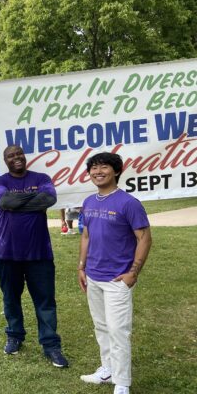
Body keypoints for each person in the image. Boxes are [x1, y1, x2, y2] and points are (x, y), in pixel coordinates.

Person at [77, 152, 152, 394]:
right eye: (94, 168)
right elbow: (86, 235)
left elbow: (145, 238)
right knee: (101, 326)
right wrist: (81, 267)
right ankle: (107, 369)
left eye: (104, 167)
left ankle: (122, 383)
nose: (98, 172)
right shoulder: (89, 202)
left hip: (118, 279)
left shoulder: (128, 203)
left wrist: (133, 272)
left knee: (119, 331)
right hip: (93, 276)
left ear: (116, 171)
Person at [0, 145, 69, 368]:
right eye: (11, 156)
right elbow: (5, 202)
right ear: (5, 160)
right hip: (7, 253)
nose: (16, 158)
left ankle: (51, 345)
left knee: (45, 301)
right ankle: (15, 335)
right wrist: (33, 200)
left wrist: (19, 201)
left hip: (39, 253)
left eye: (19, 154)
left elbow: (49, 199)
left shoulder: (42, 177)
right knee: (11, 298)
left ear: (24, 157)